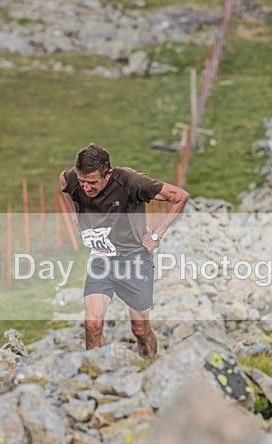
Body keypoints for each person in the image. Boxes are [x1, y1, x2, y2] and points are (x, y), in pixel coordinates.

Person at [60, 143, 189, 359]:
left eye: (93, 183)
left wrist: (156, 235)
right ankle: (97, 374)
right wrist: (75, 214)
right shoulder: (72, 179)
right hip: (102, 258)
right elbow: (63, 181)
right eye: (82, 182)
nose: (86, 189)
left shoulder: (130, 181)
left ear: (107, 174)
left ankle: (150, 364)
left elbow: (179, 196)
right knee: (92, 324)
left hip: (136, 259)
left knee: (139, 328)